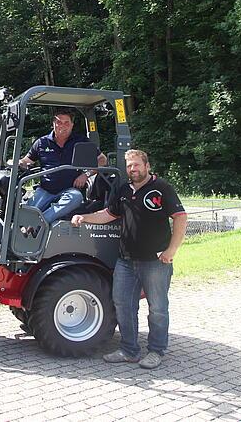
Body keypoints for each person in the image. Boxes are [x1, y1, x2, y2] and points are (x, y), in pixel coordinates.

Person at [72, 149, 187, 369]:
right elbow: (109, 214)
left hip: (155, 262)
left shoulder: (161, 188)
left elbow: (180, 218)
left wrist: (171, 250)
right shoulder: (124, 190)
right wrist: (84, 217)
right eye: (129, 166)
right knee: (123, 305)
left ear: (147, 165)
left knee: (158, 308)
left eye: (136, 165)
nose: (133, 169)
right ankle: (129, 350)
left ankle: (156, 350)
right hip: (125, 260)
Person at [18, 107, 107, 225]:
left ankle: (39, 223)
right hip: (46, 189)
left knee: (76, 197)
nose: (62, 126)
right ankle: (27, 230)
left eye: (66, 123)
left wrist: (86, 174)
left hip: (69, 189)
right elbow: (27, 161)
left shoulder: (81, 142)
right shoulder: (42, 143)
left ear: (72, 125)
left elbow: (102, 160)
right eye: (59, 122)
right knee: (28, 212)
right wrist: (18, 163)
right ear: (53, 124)